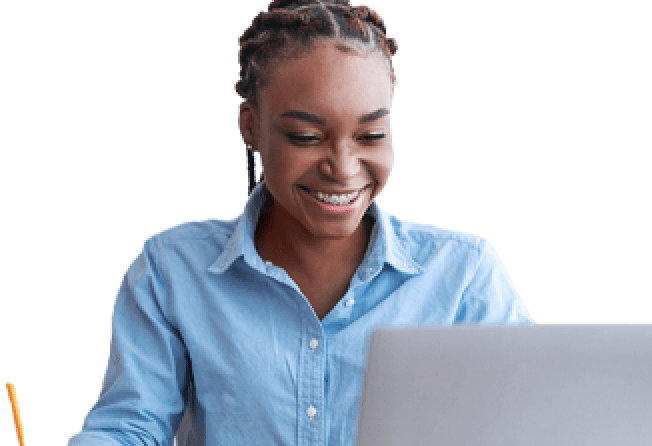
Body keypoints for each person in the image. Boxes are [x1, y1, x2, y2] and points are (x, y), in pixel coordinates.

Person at [68, 0, 530, 444]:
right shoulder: (172, 271)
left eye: (371, 135)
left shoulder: (463, 276)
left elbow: (527, 423)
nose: (344, 168)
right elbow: (130, 427)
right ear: (251, 127)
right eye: (306, 137)